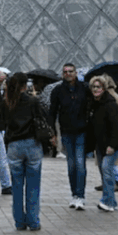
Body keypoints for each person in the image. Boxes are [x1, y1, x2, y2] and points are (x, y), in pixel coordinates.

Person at [4, 71, 51, 231]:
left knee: (16, 186)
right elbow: (43, 116)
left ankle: (19, 222)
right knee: (33, 185)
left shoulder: (8, 101)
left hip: (14, 145)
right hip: (32, 143)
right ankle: (33, 221)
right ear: (26, 85)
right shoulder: (32, 101)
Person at [49, 62, 90, 211]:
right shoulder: (58, 91)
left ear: (76, 72)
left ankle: (80, 195)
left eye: (70, 71)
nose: (68, 74)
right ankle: (75, 194)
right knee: (71, 165)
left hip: (81, 131)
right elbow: (52, 112)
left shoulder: (85, 88)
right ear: (62, 74)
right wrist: (52, 133)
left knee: (79, 164)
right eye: (65, 71)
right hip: (66, 132)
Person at [88, 74, 118, 212]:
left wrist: (113, 145)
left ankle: (108, 201)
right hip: (100, 145)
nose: (95, 89)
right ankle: (110, 201)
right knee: (105, 173)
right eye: (93, 87)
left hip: (111, 145)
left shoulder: (111, 105)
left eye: (98, 87)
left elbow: (117, 127)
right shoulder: (94, 104)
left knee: (106, 170)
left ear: (104, 88)